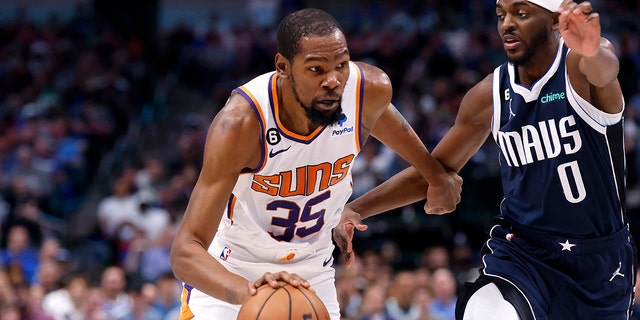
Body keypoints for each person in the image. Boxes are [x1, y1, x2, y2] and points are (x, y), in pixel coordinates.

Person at [336, 0, 635, 319]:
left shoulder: (581, 65)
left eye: (521, 13)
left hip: (600, 262)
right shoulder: (488, 94)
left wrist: (591, 50)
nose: (507, 23)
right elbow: (436, 172)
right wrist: (355, 208)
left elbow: (605, 70)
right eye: (501, 14)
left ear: (554, 21)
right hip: (523, 254)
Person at [169, 8, 462, 320]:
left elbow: (392, 127)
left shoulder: (365, 92)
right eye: (316, 70)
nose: (333, 81)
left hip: (313, 270)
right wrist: (255, 294)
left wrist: (435, 176)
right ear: (283, 66)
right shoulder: (241, 124)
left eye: (341, 65)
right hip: (236, 269)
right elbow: (185, 253)